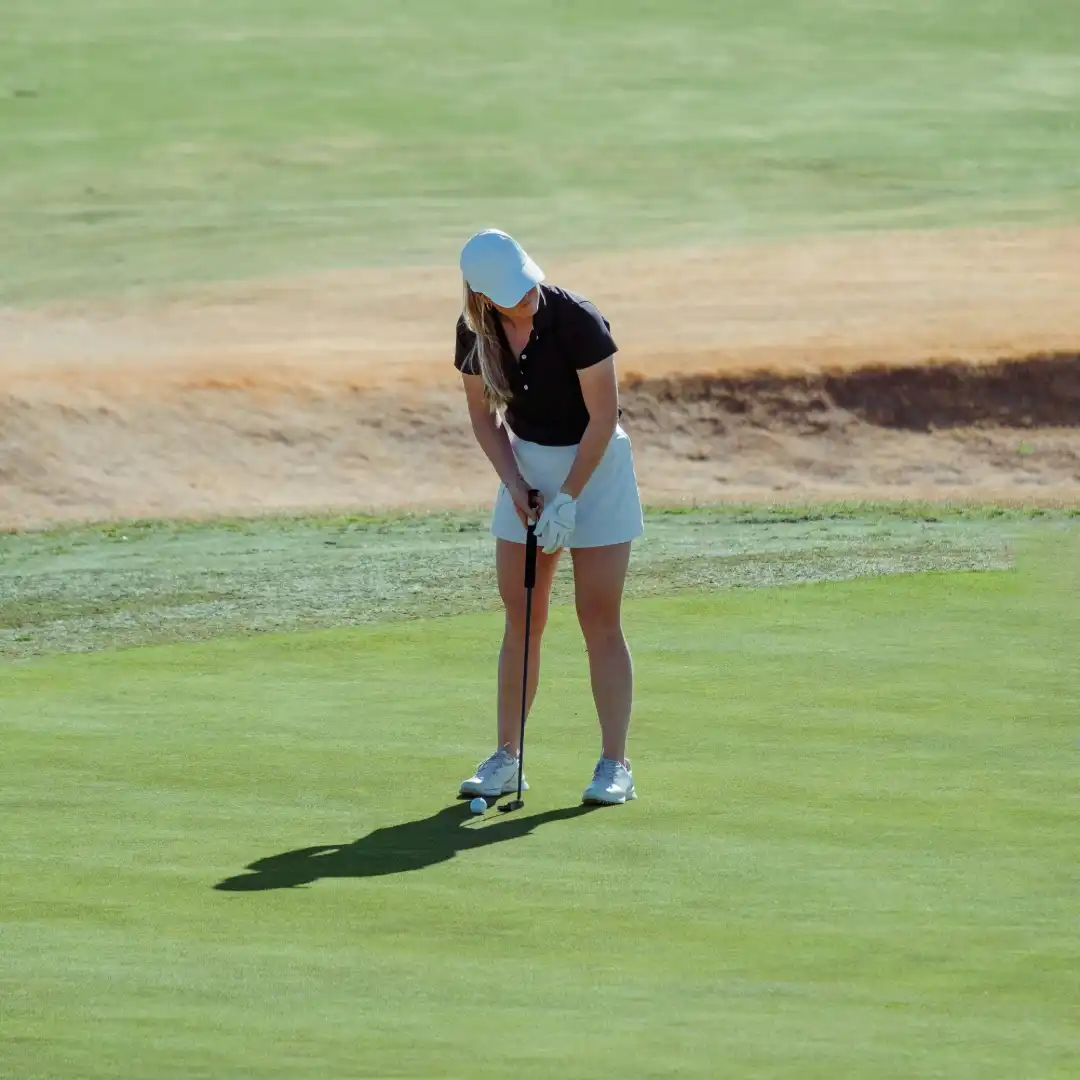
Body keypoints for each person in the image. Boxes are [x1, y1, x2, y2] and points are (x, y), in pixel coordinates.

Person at [452, 228, 645, 805]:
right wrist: (517, 486)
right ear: (483, 296)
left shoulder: (577, 319)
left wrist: (568, 498)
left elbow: (603, 417)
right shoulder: (475, 332)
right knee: (523, 616)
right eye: (512, 293)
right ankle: (506, 758)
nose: (527, 296)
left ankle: (615, 765)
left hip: (597, 467)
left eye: (527, 283)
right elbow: (484, 419)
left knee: (598, 615)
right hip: (528, 466)